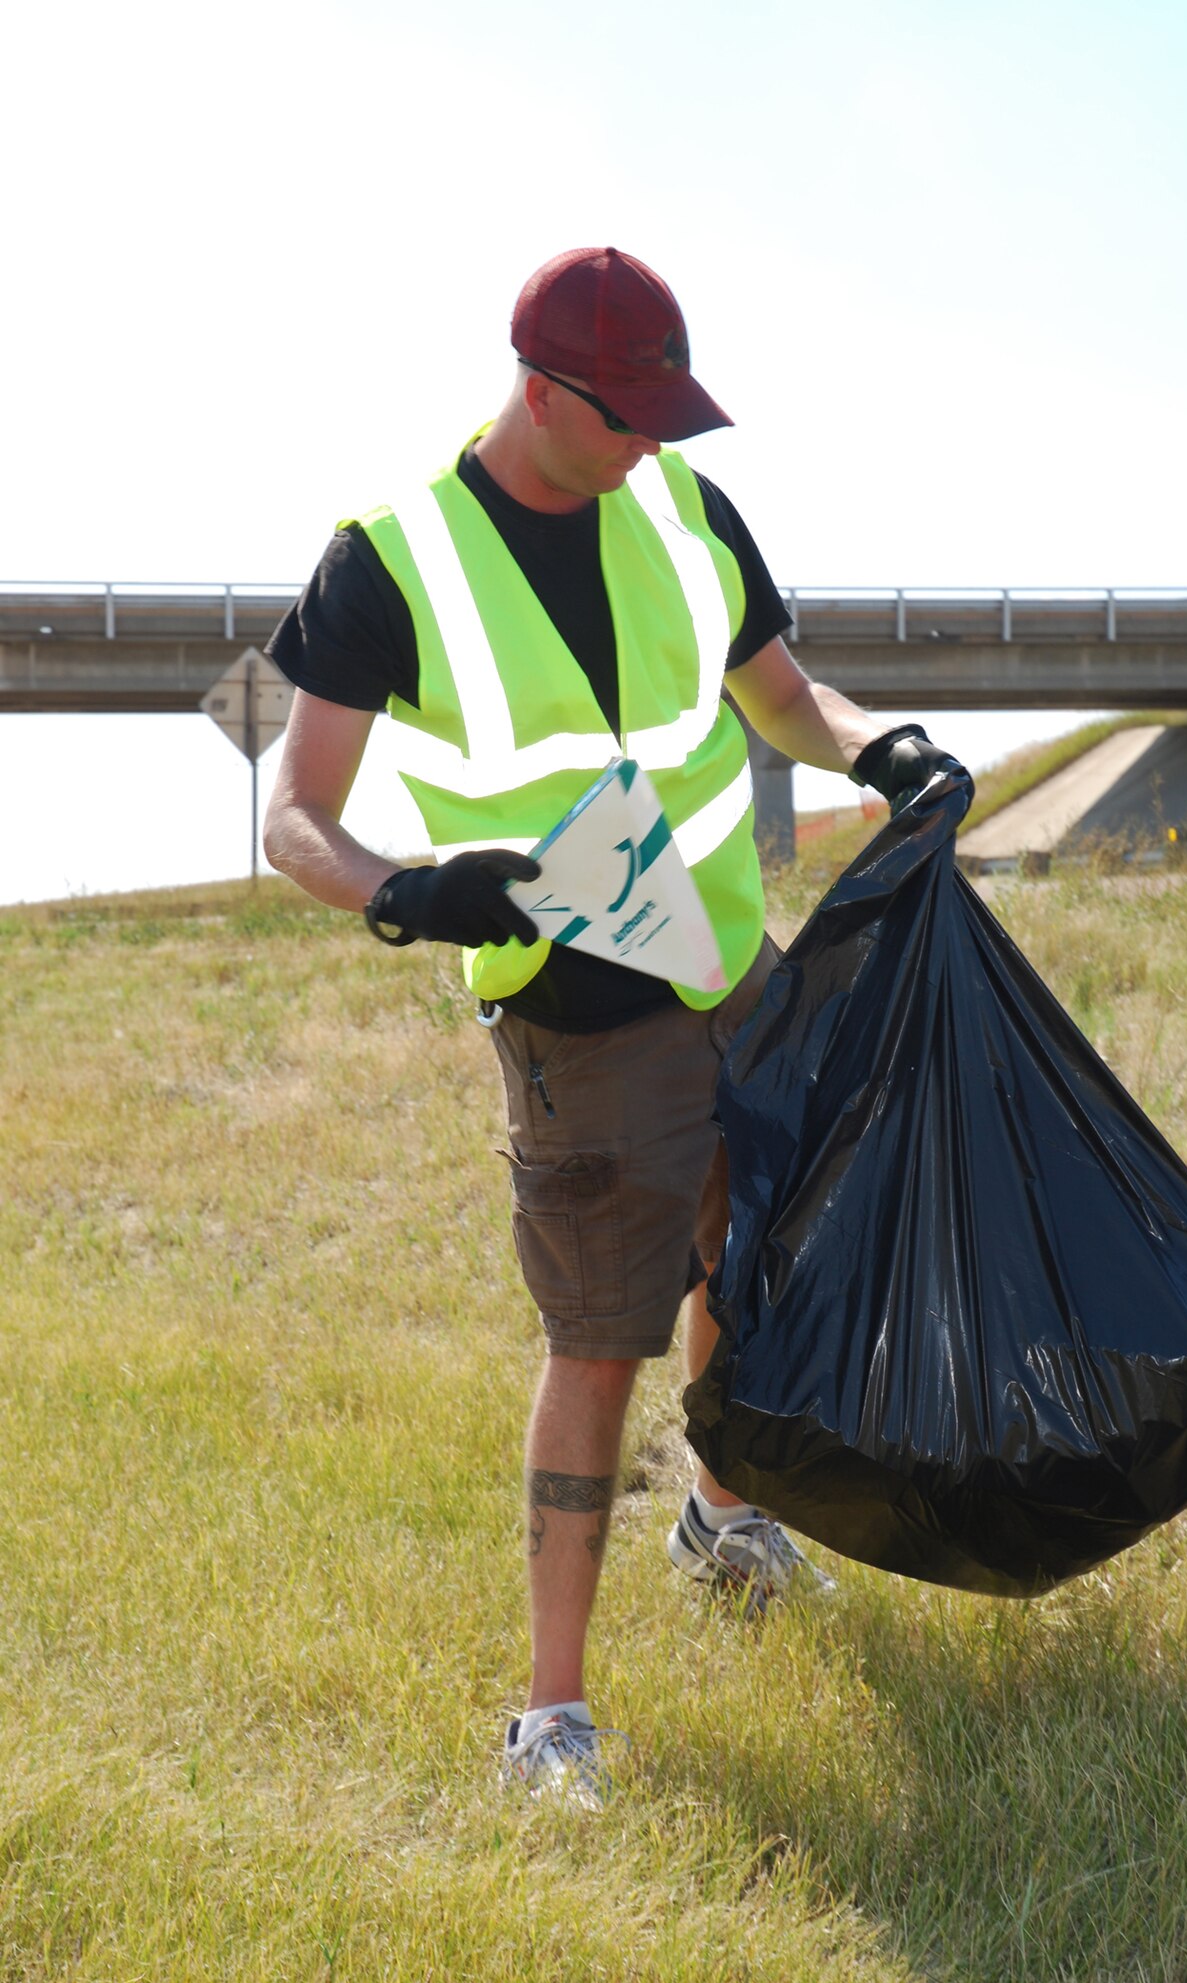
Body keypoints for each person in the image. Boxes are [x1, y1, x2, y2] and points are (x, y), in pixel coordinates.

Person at [263, 246, 969, 1806]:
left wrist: (882, 747)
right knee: (599, 1341)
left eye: (670, 412)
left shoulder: (686, 511)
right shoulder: (392, 562)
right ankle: (552, 1721)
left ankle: (722, 1519)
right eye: (631, 415)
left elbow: (781, 695)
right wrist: (409, 895)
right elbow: (292, 815)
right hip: (577, 1012)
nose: (657, 444)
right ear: (538, 393)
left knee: (756, 1246)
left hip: (729, 959)